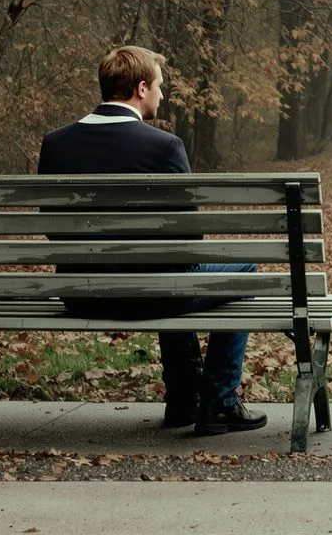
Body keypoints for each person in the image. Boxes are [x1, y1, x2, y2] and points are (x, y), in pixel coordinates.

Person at [37, 45, 267, 435]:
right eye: (160, 86)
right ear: (141, 88)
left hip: (80, 292)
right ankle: (219, 401)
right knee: (239, 270)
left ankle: (184, 399)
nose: (163, 95)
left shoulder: (56, 143)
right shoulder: (164, 146)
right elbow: (190, 235)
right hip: (154, 292)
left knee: (170, 272)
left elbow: (51, 227)